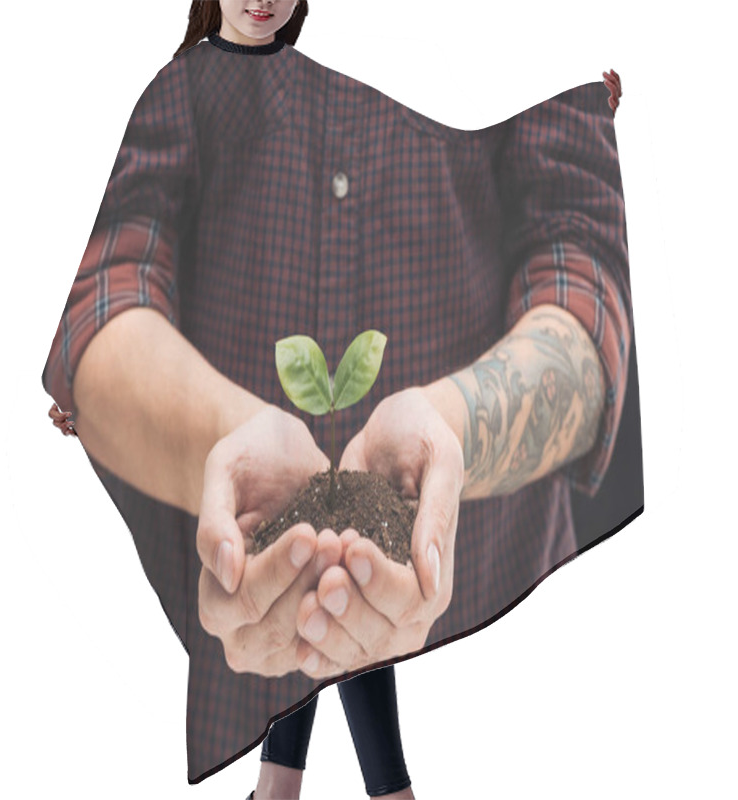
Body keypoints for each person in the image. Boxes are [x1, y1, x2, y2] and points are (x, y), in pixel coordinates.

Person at [43, 0, 636, 792]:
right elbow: (111, 291)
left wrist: (575, 110)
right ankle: (360, 789)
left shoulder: (346, 76)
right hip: (248, 433)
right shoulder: (182, 91)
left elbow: (557, 244)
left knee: (335, 600)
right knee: (308, 597)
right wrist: (120, 391)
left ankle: (298, 788)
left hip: (404, 447)